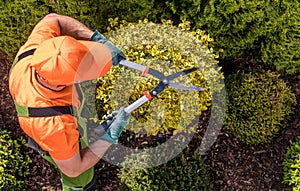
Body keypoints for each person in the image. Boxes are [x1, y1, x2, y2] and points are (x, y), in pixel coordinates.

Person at [8, 13, 131, 190]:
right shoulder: (55, 126)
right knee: (80, 179)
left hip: (49, 113)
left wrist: (97, 40)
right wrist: (109, 136)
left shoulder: (38, 51)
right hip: (54, 138)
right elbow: (74, 168)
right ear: (63, 83)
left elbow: (53, 19)